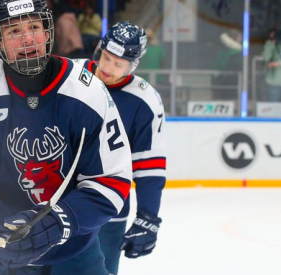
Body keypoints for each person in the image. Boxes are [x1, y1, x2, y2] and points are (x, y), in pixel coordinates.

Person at [0, 1, 132, 275]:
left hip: (74, 253)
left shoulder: (88, 93)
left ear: (47, 31)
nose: (27, 39)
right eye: (13, 31)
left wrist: (60, 221)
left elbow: (111, 181)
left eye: (34, 26)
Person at [76, 21, 166, 274]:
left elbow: (149, 164)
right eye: (106, 58)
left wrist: (148, 217)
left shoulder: (145, 99)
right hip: (55, 201)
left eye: (118, 64)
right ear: (98, 50)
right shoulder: (71, 76)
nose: (107, 68)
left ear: (133, 65)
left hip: (108, 208)